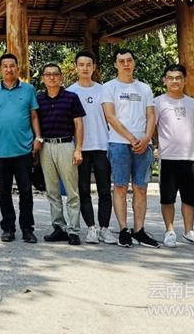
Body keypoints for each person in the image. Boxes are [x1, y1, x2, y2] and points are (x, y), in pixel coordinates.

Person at [101, 48, 159, 248]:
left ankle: (139, 230)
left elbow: (151, 115)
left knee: (141, 188)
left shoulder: (144, 88)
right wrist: (132, 138)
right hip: (119, 143)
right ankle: (124, 229)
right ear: (115, 65)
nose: (126, 64)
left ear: (134, 63)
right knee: (120, 186)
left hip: (144, 143)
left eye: (129, 60)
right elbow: (110, 116)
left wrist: (147, 138)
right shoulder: (109, 87)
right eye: (121, 61)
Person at [0, 53, 41, 243]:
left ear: (17, 68)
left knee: (26, 191)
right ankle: (8, 228)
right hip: (1, 150)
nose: (9, 69)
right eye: (5, 66)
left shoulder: (28, 89)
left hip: (24, 149)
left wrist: (38, 138)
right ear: (0, 69)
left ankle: (27, 229)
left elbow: (34, 115)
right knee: (4, 191)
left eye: (12, 65)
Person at [155, 64, 194, 248]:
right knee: (167, 197)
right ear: (164, 80)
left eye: (178, 78)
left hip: (190, 158)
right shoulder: (158, 102)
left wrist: (185, 141)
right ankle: (169, 231)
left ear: (185, 80)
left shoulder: (193, 103)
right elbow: (153, 128)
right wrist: (160, 144)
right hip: (168, 158)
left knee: (189, 197)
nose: (174, 81)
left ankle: (189, 231)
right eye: (170, 78)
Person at [67, 50, 116, 244]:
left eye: (89, 64)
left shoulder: (104, 90)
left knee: (105, 189)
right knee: (83, 190)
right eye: (81, 65)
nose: (85, 68)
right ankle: (91, 228)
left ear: (94, 67)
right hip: (80, 148)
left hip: (102, 145)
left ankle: (104, 228)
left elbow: (111, 118)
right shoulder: (70, 92)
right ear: (76, 67)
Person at [36, 63, 85, 246]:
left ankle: (73, 230)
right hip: (46, 146)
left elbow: (79, 124)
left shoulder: (71, 97)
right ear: (43, 78)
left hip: (66, 145)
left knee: (72, 191)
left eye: (55, 74)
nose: (52, 77)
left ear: (60, 77)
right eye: (48, 74)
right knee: (52, 190)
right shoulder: (39, 99)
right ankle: (59, 227)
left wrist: (78, 149)